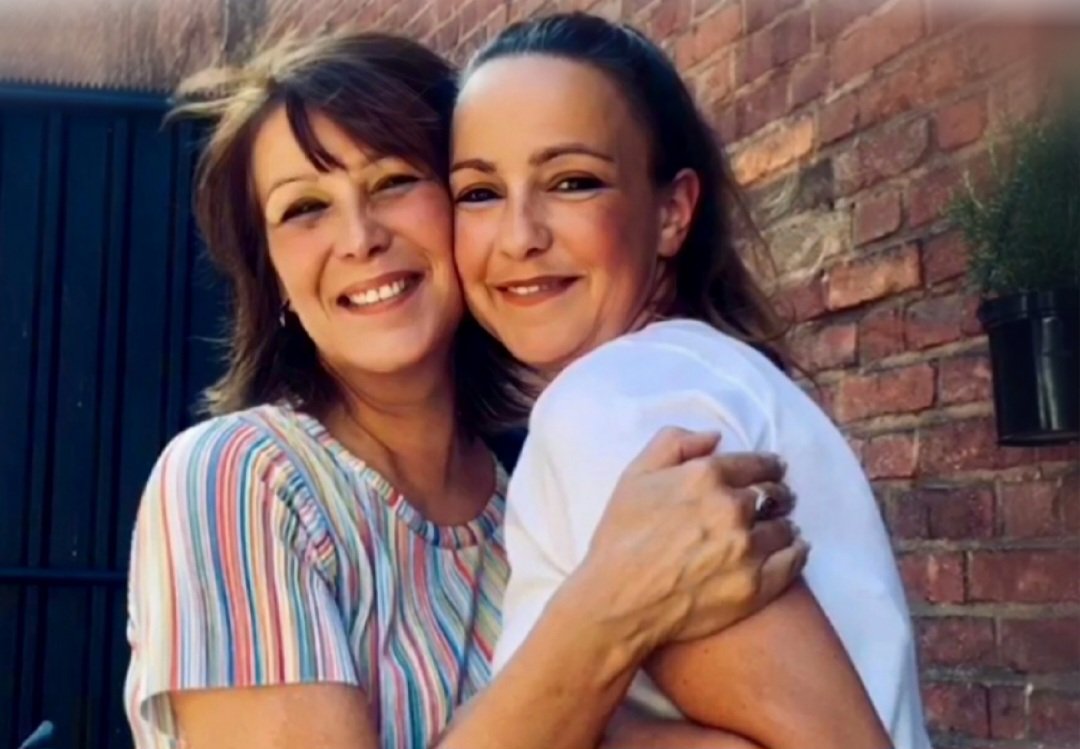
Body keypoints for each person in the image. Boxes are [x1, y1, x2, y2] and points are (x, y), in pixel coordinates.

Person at [123, 32, 809, 749]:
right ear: (273, 275)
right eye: (305, 208)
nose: (359, 238)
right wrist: (611, 608)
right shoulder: (242, 479)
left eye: (393, 182)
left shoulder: (542, 490)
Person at [451, 13, 933, 749]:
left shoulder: (615, 401)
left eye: (573, 182)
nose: (519, 236)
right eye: (479, 192)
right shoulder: (689, 376)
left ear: (672, 212)